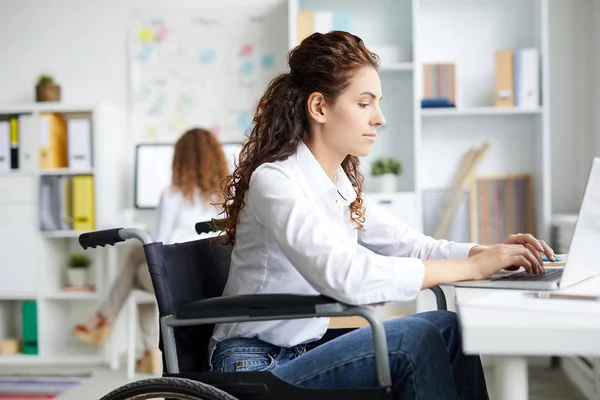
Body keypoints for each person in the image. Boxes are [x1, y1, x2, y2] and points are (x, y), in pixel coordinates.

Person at [209, 31, 556, 399]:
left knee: (447, 326)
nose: (380, 118)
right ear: (320, 108)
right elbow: (343, 275)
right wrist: (472, 269)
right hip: (254, 363)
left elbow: (411, 246)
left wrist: (488, 254)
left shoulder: (338, 184)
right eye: (365, 103)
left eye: (378, 103)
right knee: (413, 340)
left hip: (303, 351)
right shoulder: (275, 181)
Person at [73, 127, 230, 374]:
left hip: (175, 280)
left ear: (181, 160)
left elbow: (158, 246)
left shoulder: (172, 195)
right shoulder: (224, 196)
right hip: (211, 277)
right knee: (137, 258)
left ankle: (106, 321)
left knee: (138, 265)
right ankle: (146, 352)